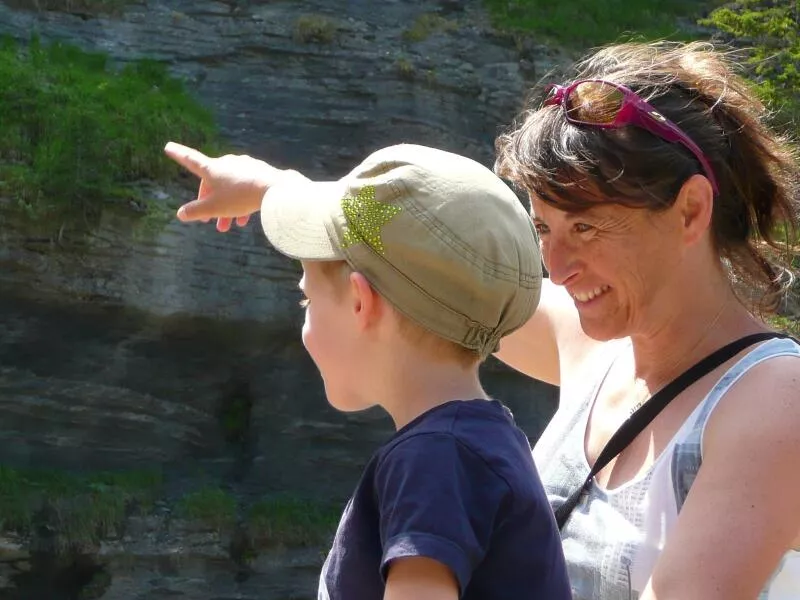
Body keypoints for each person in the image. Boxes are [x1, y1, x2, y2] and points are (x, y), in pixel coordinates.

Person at [165, 39, 800, 599]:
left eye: (585, 227)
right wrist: (278, 189)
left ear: (690, 211)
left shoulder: (774, 401)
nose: (557, 267)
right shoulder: (596, 344)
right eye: (543, 229)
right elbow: (434, 276)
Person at [165, 141, 572, 599]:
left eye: (306, 300)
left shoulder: (433, 460)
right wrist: (268, 188)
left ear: (361, 302)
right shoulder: (479, 444)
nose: (303, 322)